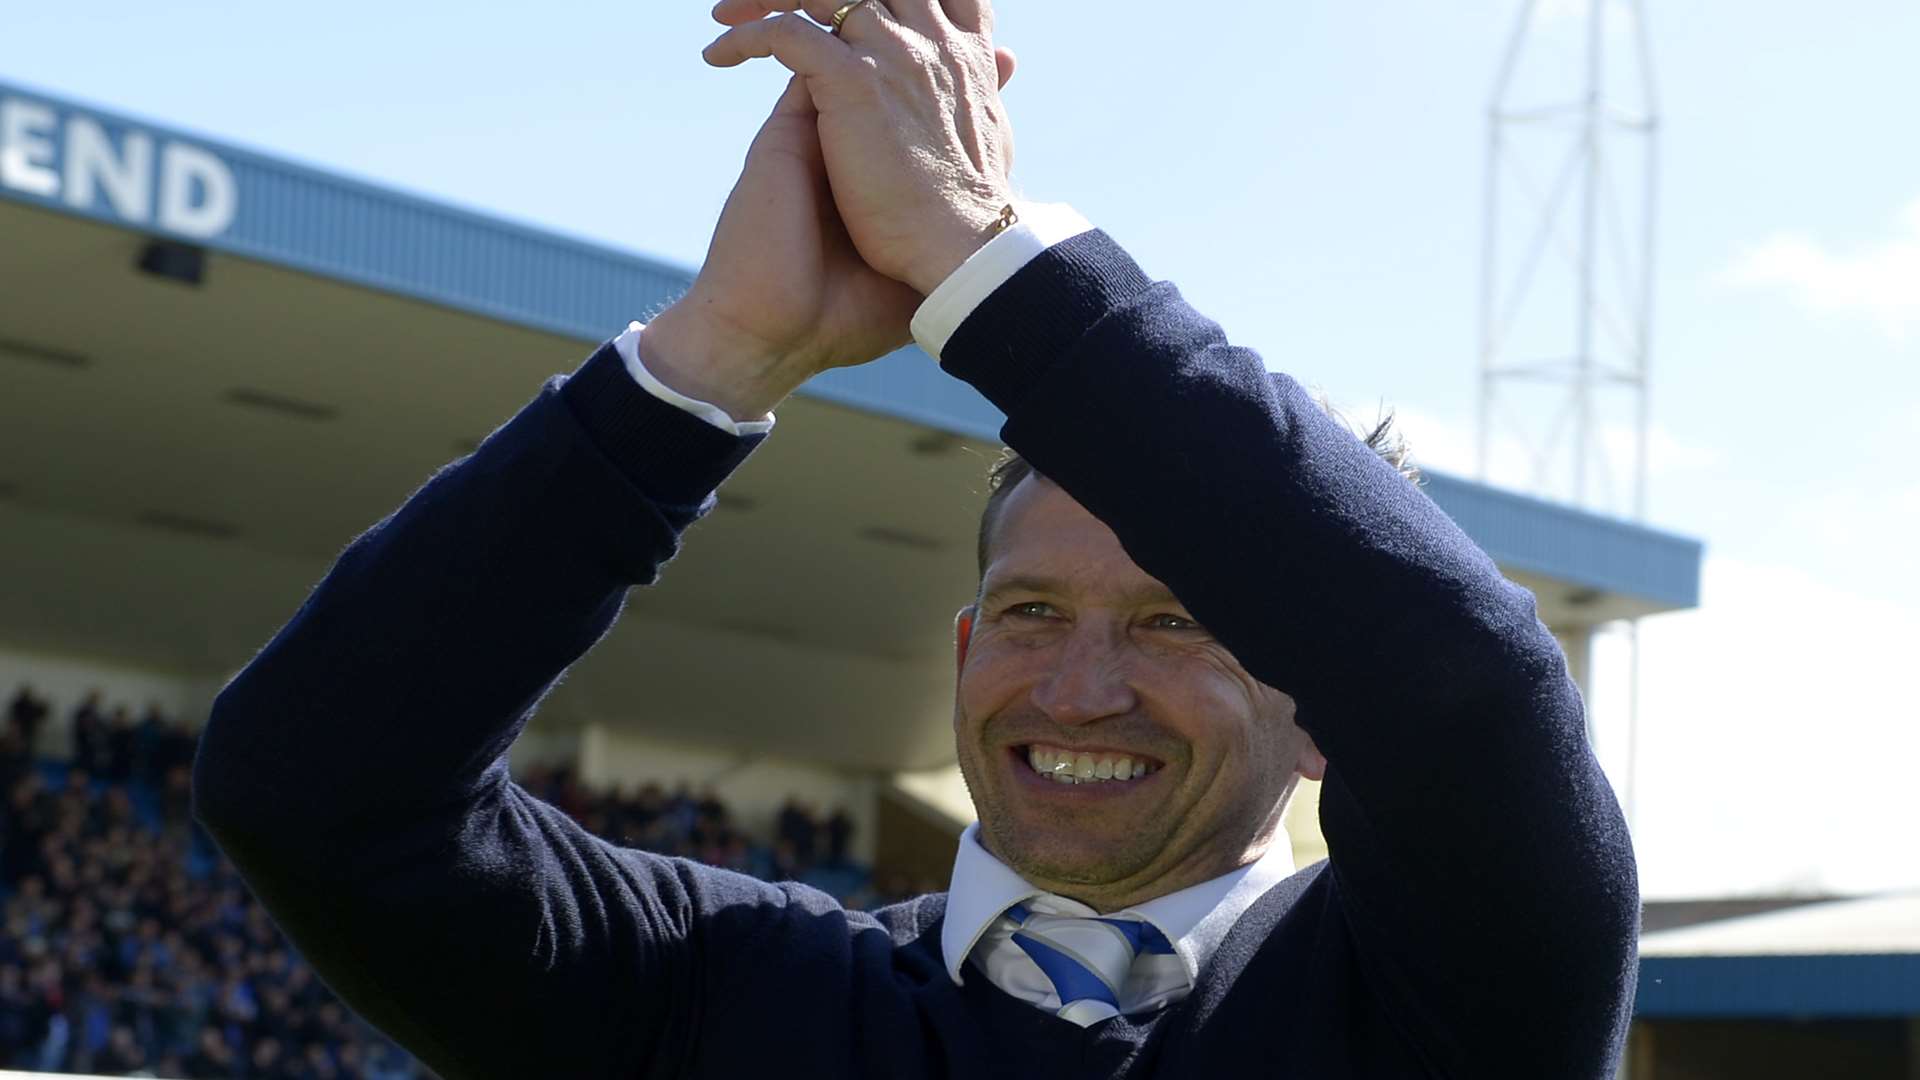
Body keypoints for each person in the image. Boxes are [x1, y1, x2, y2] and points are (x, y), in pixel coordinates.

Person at [190, 0, 1638, 1075]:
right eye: (1027, 615)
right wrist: (714, 361)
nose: (1078, 687)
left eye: (1172, 620)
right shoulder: (709, 987)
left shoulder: (1448, 993)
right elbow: (312, 788)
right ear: (964, 651)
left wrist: (979, 260)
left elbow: (1466, 694)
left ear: (1321, 708)